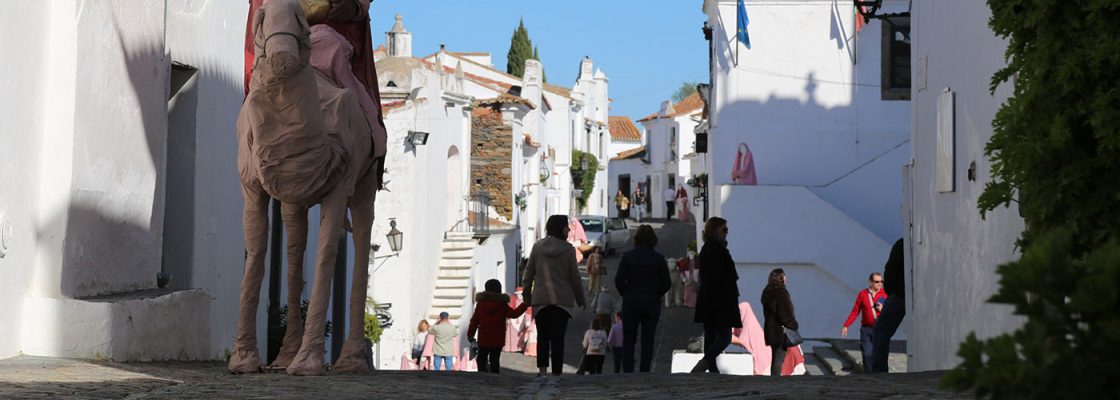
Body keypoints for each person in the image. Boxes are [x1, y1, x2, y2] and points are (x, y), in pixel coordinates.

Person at [522, 215, 587, 376]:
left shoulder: (538, 247)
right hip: (562, 301)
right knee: (558, 339)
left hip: (541, 299)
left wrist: (526, 295)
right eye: (567, 226)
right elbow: (575, 278)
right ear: (560, 228)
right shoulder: (569, 250)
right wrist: (580, 298)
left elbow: (528, 274)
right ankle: (557, 373)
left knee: (543, 337)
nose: (569, 229)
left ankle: (543, 371)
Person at [615, 225, 671, 373]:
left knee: (628, 339)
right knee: (648, 340)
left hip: (631, 302)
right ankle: (644, 371)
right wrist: (655, 293)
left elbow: (619, 280)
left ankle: (627, 370)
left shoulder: (627, 257)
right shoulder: (658, 259)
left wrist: (626, 293)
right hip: (651, 303)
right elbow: (666, 283)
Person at [693, 217, 742, 374]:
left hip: (711, 299)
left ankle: (712, 370)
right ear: (714, 230)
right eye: (724, 229)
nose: (727, 233)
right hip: (719, 301)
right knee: (724, 337)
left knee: (711, 336)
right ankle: (705, 364)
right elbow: (720, 277)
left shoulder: (711, 248)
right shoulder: (715, 250)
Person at [468, 279, 530, 374]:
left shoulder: (481, 304)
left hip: (484, 337)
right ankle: (494, 377)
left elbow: (474, 321)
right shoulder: (502, 305)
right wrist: (525, 305)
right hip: (498, 337)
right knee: (495, 359)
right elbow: (514, 314)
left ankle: (482, 374)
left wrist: (470, 335)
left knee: (481, 358)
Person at [842, 271, 888, 373]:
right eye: (876, 281)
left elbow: (890, 313)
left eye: (881, 281)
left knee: (880, 353)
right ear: (870, 282)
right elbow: (855, 311)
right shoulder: (863, 294)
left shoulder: (885, 294)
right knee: (867, 353)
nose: (879, 284)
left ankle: (881, 374)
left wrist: (883, 310)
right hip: (866, 329)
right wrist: (846, 325)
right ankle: (869, 374)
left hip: (879, 329)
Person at [871, 239, 905, 373]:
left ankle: (879, 371)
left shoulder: (902, 244)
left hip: (899, 295)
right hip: (903, 292)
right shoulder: (905, 244)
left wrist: (890, 291)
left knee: (881, 330)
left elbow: (890, 270)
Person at [761, 268, 799, 377]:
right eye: (784, 276)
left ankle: (774, 378)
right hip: (780, 331)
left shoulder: (767, 291)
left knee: (776, 356)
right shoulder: (780, 292)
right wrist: (793, 325)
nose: (786, 278)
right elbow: (785, 313)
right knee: (779, 357)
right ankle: (775, 380)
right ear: (780, 278)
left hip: (771, 329)